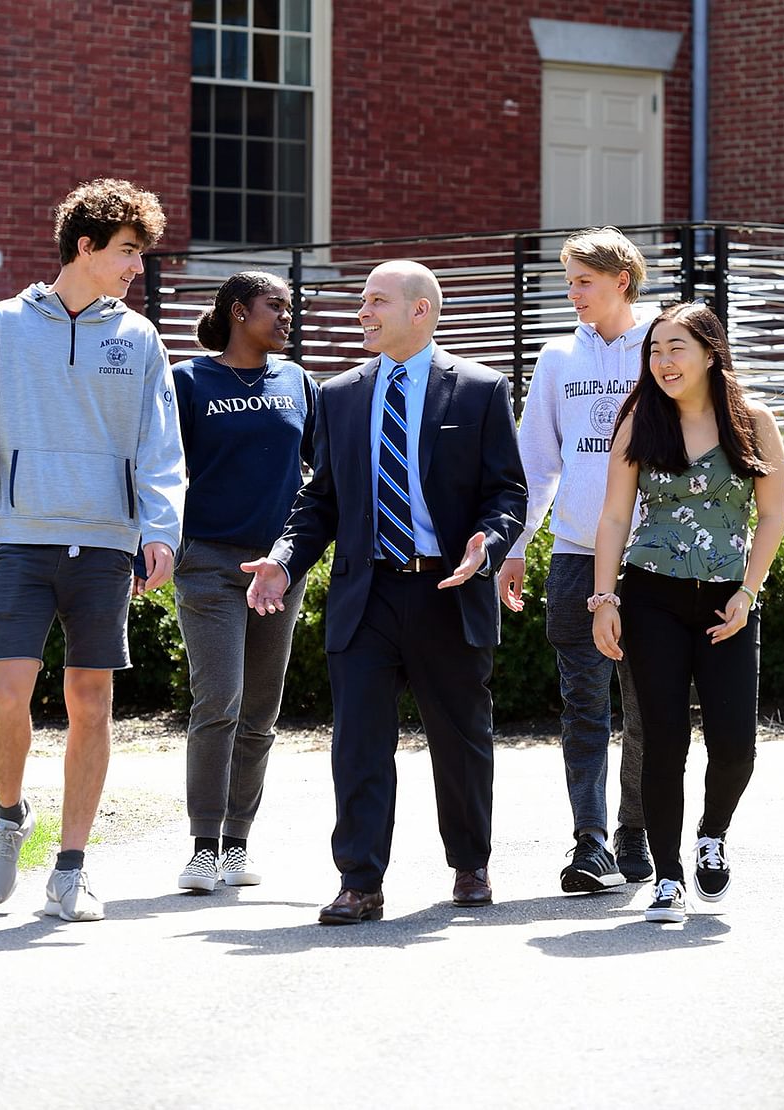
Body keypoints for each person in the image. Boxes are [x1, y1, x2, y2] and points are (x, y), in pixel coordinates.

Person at [243, 260, 527, 923]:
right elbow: (320, 501)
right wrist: (284, 560)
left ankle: (470, 864)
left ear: (420, 310)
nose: (362, 313)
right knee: (359, 745)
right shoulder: (339, 394)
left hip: (447, 590)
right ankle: (360, 882)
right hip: (365, 595)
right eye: (363, 301)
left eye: (376, 301)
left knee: (461, 741)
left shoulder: (480, 390)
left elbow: (506, 492)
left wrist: (488, 544)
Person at [0, 179, 185, 922]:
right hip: (21, 539)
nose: (137, 268)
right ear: (85, 247)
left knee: (91, 701)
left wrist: (160, 529)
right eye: (127, 252)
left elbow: (160, 443)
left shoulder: (140, 337)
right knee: (6, 696)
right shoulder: (3, 324)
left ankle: (70, 868)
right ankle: (9, 814)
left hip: (105, 544)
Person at [592, 302, 784, 923]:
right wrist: (604, 599)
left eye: (676, 348)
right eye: (655, 350)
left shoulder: (753, 421)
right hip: (652, 597)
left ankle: (713, 833)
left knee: (735, 745)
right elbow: (614, 517)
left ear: (710, 353)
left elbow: (772, 516)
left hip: (729, 599)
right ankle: (668, 877)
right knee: (663, 740)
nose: (663, 361)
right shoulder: (639, 421)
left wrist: (747, 592)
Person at [498, 227, 655, 893]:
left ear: (622, 280)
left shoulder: (664, 346)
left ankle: (636, 833)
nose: (573, 294)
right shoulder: (558, 357)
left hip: (652, 561)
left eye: (583, 281)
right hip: (574, 556)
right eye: (568, 282)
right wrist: (514, 545)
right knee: (583, 707)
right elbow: (536, 461)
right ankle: (590, 841)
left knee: (649, 711)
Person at [171, 271, 317, 892]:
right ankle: (203, 847)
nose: (287, 316)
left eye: (289, 307)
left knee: (260, 710)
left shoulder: (298, 382)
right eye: (274, 306)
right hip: (208, 562)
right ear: (237, 311)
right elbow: (161, 468)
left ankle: (236, 844)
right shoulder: (188, 380)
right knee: (219, 701)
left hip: (279, 569)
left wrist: (296, 552)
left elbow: (323, 474)